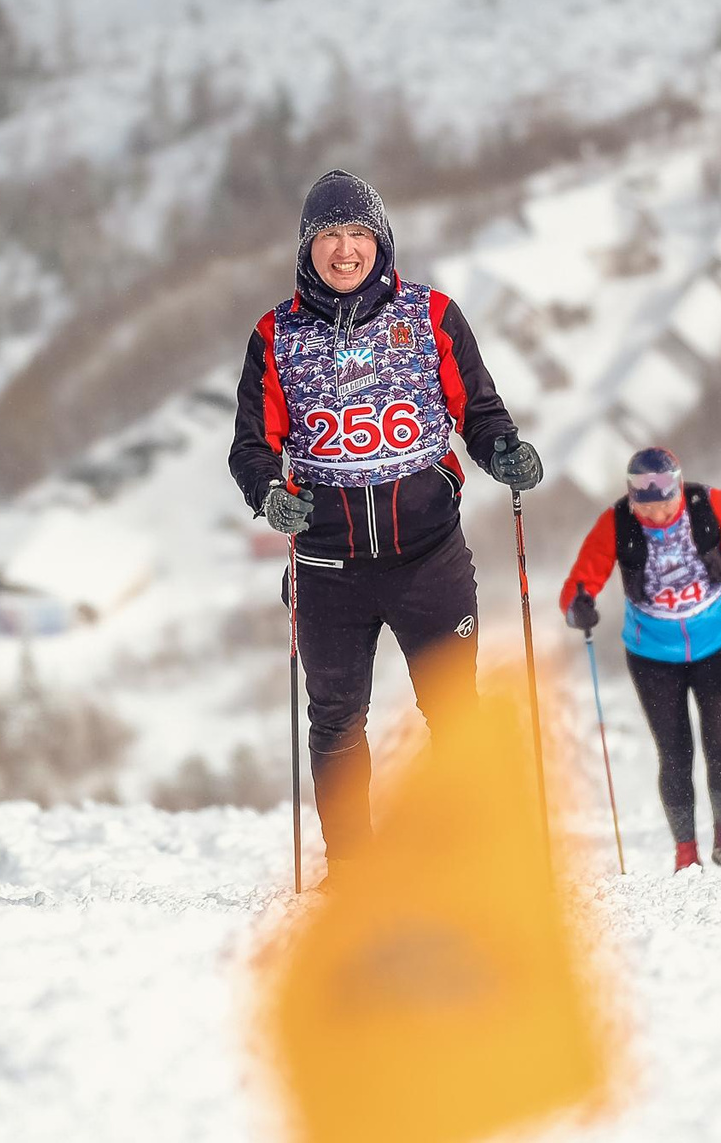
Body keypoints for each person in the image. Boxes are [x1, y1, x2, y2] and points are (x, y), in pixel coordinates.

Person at [228, 169, 541, 867]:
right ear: (307, 248)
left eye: (358, 233)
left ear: (382, 240)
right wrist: (268, 495)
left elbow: (479, 412)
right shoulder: (275, 336)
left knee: (456, 711)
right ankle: (356, 873)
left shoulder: (432, 317)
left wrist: (504, 451)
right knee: (337, 721)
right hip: (327, 568)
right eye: (328, 235)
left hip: (427, 557)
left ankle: (474, 859)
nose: (344, 249)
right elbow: (251, 446)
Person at [558, 447, 721, 871]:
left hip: (720, 644)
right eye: (644, 503)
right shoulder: (617, 521)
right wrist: (578, 604)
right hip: (652, 654)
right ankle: (685, 853)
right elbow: (581, 580)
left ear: (679, 488)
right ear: (630, 496)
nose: (656, 513)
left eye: (665, 501)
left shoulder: (709, 505)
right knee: (674, 753)